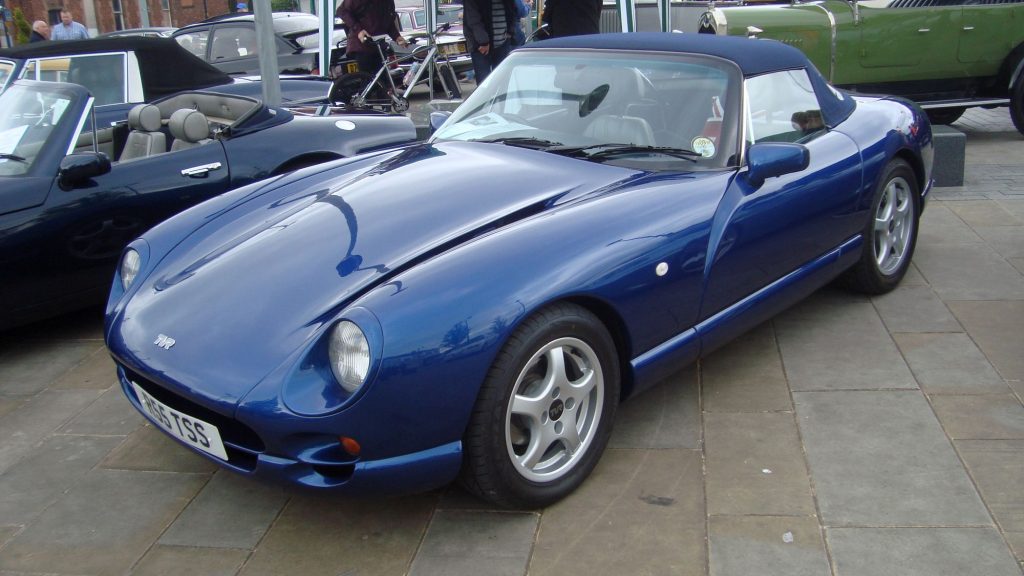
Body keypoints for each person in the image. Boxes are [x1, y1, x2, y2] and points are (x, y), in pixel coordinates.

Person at [338, 0, 408, 76]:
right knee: (368, 77)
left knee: (383, 78)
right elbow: (342, 11)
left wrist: (397, 37)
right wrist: (359, 30)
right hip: (362, 45)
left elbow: (388, 21)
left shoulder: (388, 2)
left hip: (379, 46)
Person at [463, 0, 517, 85]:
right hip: (481, 46)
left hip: (503, 43)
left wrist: (510, 31)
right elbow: (473, 20)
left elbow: (513, 11)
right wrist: (483, 42)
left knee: (502, 81)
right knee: (483, 83)